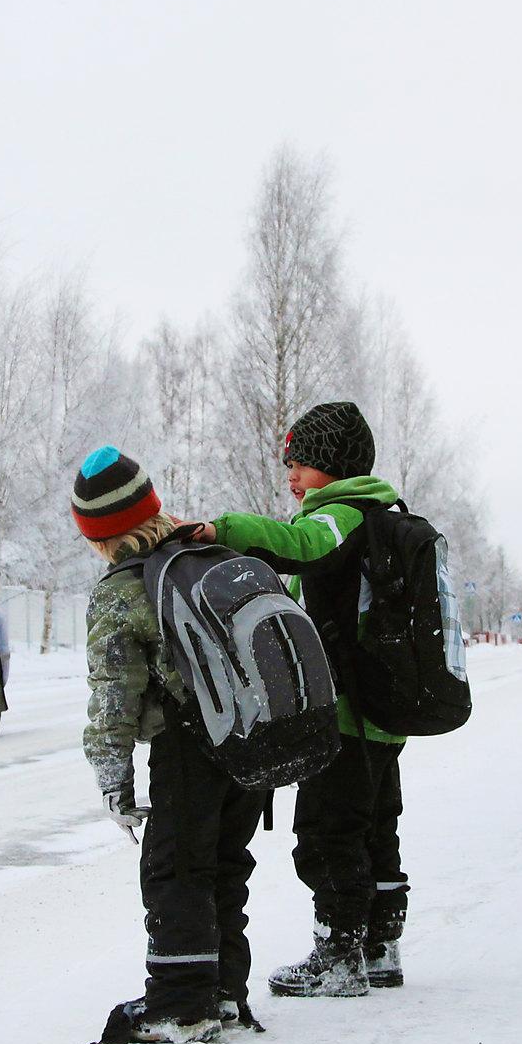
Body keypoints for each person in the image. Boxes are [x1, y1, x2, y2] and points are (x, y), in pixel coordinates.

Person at [193, 401, 408, 998]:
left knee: (327, 833)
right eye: (289, 460)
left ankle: (339, 957)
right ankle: (380, 947)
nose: (291, 472)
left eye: (303, 461)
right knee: (375, 829)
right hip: (376, 718)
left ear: (335, 466)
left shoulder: (342, 515)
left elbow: (304, 546)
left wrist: (224, 531)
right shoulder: (378, 518)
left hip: (345, 716)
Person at [76, 446, 269, 1044]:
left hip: (188, 744)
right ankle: (226, 992)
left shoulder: (122, 588)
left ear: (101, 534)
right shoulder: (213, 557)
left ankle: (181, 1006)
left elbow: (114, 694)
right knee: (226, 866)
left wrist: (114, 779)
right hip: (251, 735)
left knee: (176, 868)